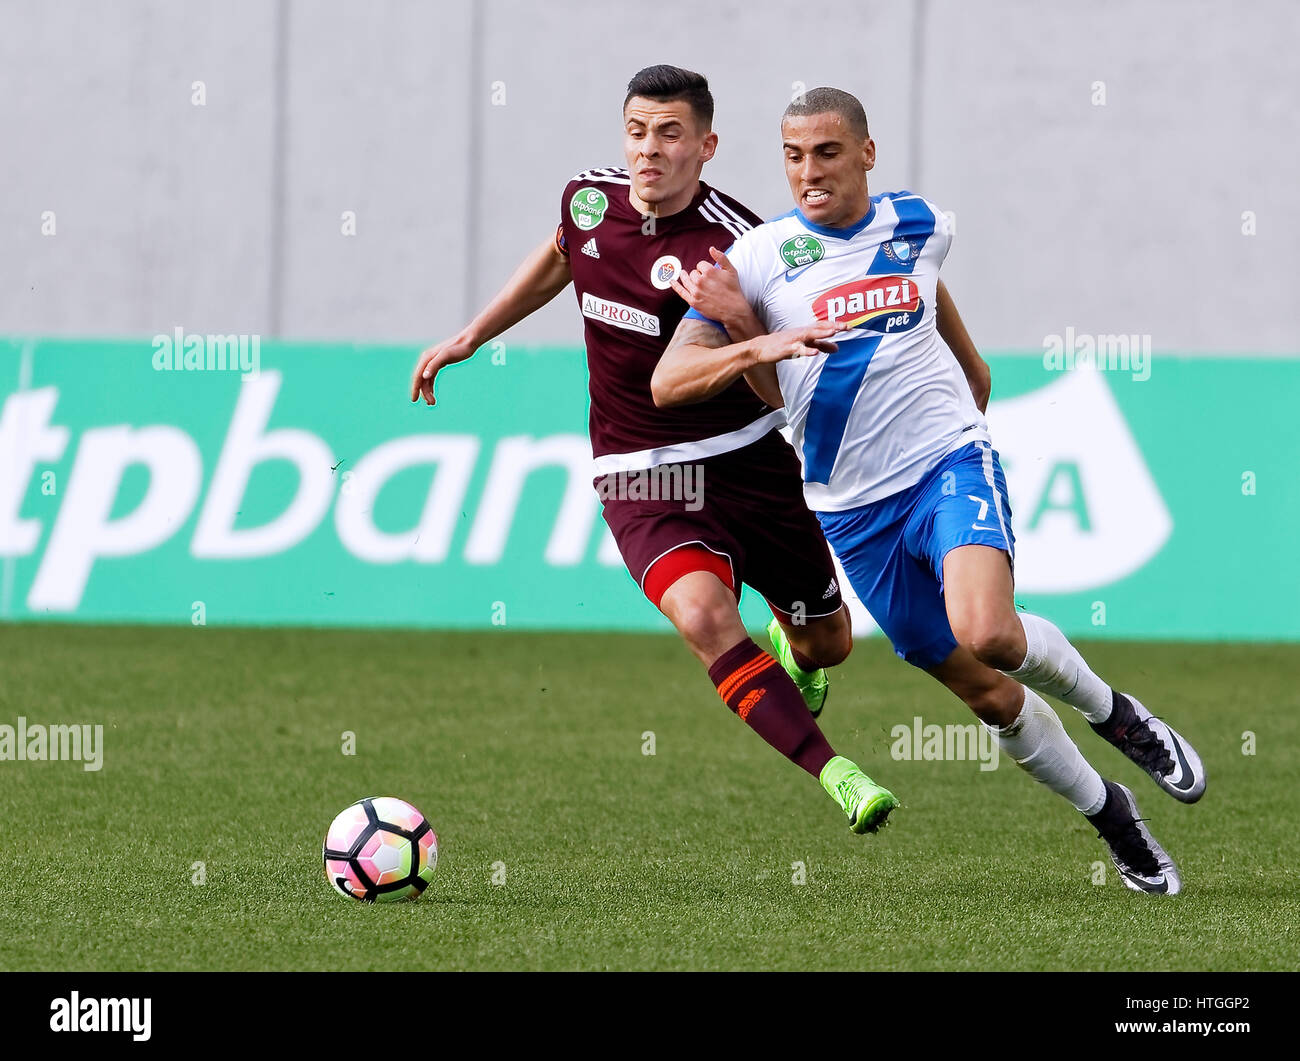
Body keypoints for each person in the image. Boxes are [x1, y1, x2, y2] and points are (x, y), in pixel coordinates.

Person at [653, 87, 1205, 893]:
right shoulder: (755, 262)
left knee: (990, 632)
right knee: (986, 694)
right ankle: (1110, 813)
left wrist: (969, 398)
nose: (810, 172)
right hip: (850, 508)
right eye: (793, 155)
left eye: (829, 152)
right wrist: (751, 330)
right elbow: (677, 383)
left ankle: (1118, 715)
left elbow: (933, 305)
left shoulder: (921, 221)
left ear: (866, 154)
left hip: (946, 462)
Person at [411, 67, 907, 833]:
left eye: (670, 134)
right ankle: (836, 772)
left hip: (747, 459)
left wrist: (750, 328)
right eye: (638, 132)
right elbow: (559, 255)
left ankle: (799, 655)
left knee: (829, 643)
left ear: (705, 146)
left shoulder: (740, 246)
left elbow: (781, 375)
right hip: (641, 476)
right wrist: (474, 334)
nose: (649, 151)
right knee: (707, 618)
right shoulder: (588, 199)